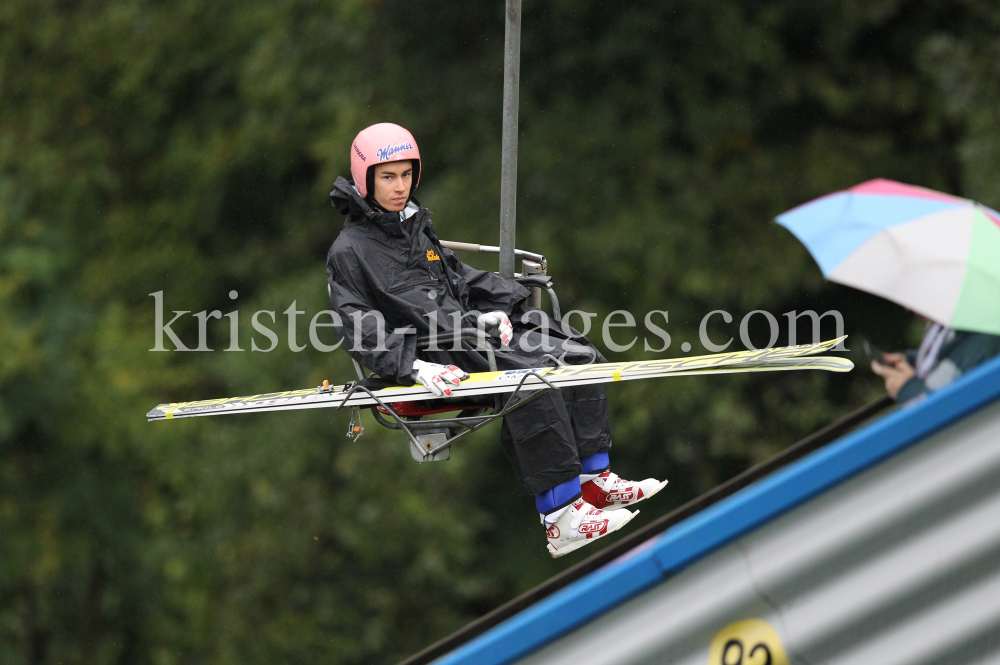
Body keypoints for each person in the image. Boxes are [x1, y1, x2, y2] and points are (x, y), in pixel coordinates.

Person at [325, 123, 667, 557]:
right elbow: (359, 326)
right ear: (365, 179)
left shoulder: (416, 227)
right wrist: (415, 365)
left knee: (580, 354)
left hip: (469, 336)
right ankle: (560, 519)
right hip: (431, 353)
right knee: (533, 378)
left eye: (407, 175)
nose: (400, 186)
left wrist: (502, 308)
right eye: (387, 177)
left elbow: (460, 279)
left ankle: (594, 483)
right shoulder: (349, 250)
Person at [871, 320, 1000, 405]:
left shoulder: (985, 339)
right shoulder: (941, 325)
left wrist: (908, 389)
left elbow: (954, 412)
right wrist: (911, 363)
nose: (908, 308)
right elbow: (942, 357)